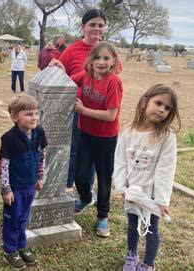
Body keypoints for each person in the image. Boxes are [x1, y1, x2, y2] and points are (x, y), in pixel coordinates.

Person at [51, 9, 123, 198]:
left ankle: (87, 191)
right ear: (83, 27)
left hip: (101, 115)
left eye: (100, 25)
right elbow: (63, 77)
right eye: (92, 24)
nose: (96, 28)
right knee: (75, 149)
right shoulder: (72, 50)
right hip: (77, 110)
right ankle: (68, 185)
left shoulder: (108, 50)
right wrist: (57, 66)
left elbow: (112, 79)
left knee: (93, 159)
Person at [114, 84, 181, 271]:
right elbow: (120, 161)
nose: (162, 110)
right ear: (144, 102)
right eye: (158, 103)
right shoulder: (128, 131)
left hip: (151, 194)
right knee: (132, 224)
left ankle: (149, 263)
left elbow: (165, 169)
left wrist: (161, 199)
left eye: (167, 108)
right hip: (132, 190)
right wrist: (121, 187)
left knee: (152, 228)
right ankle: (132, 255)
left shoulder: (166, 136)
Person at [71, 41, 123, 237]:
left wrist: (83, 110)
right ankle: (85, 198)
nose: (101, 62)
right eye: (97, 58)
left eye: (106, 58)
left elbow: (111, 115)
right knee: (80, 174)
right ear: (90, 61)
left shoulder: (114, 82)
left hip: (106, 138)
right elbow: (68, 80)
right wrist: (57, 66)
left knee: (103, 178)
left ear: (113, 62)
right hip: (86, 133)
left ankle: (103, 216)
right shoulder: (85, 76)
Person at [0, 94, 47, 269]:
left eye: (35, 113)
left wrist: (40, 177)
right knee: (13, 218)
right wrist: (6, 189)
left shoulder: (39, 132)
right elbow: (4, 164)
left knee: (23, 217)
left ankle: (21, 246)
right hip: (15, 187)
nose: (34, 117)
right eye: (28, 114)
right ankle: (10, 249)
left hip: (30, 185)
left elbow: (41, 155)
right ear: (14, 117)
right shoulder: (9, 138)